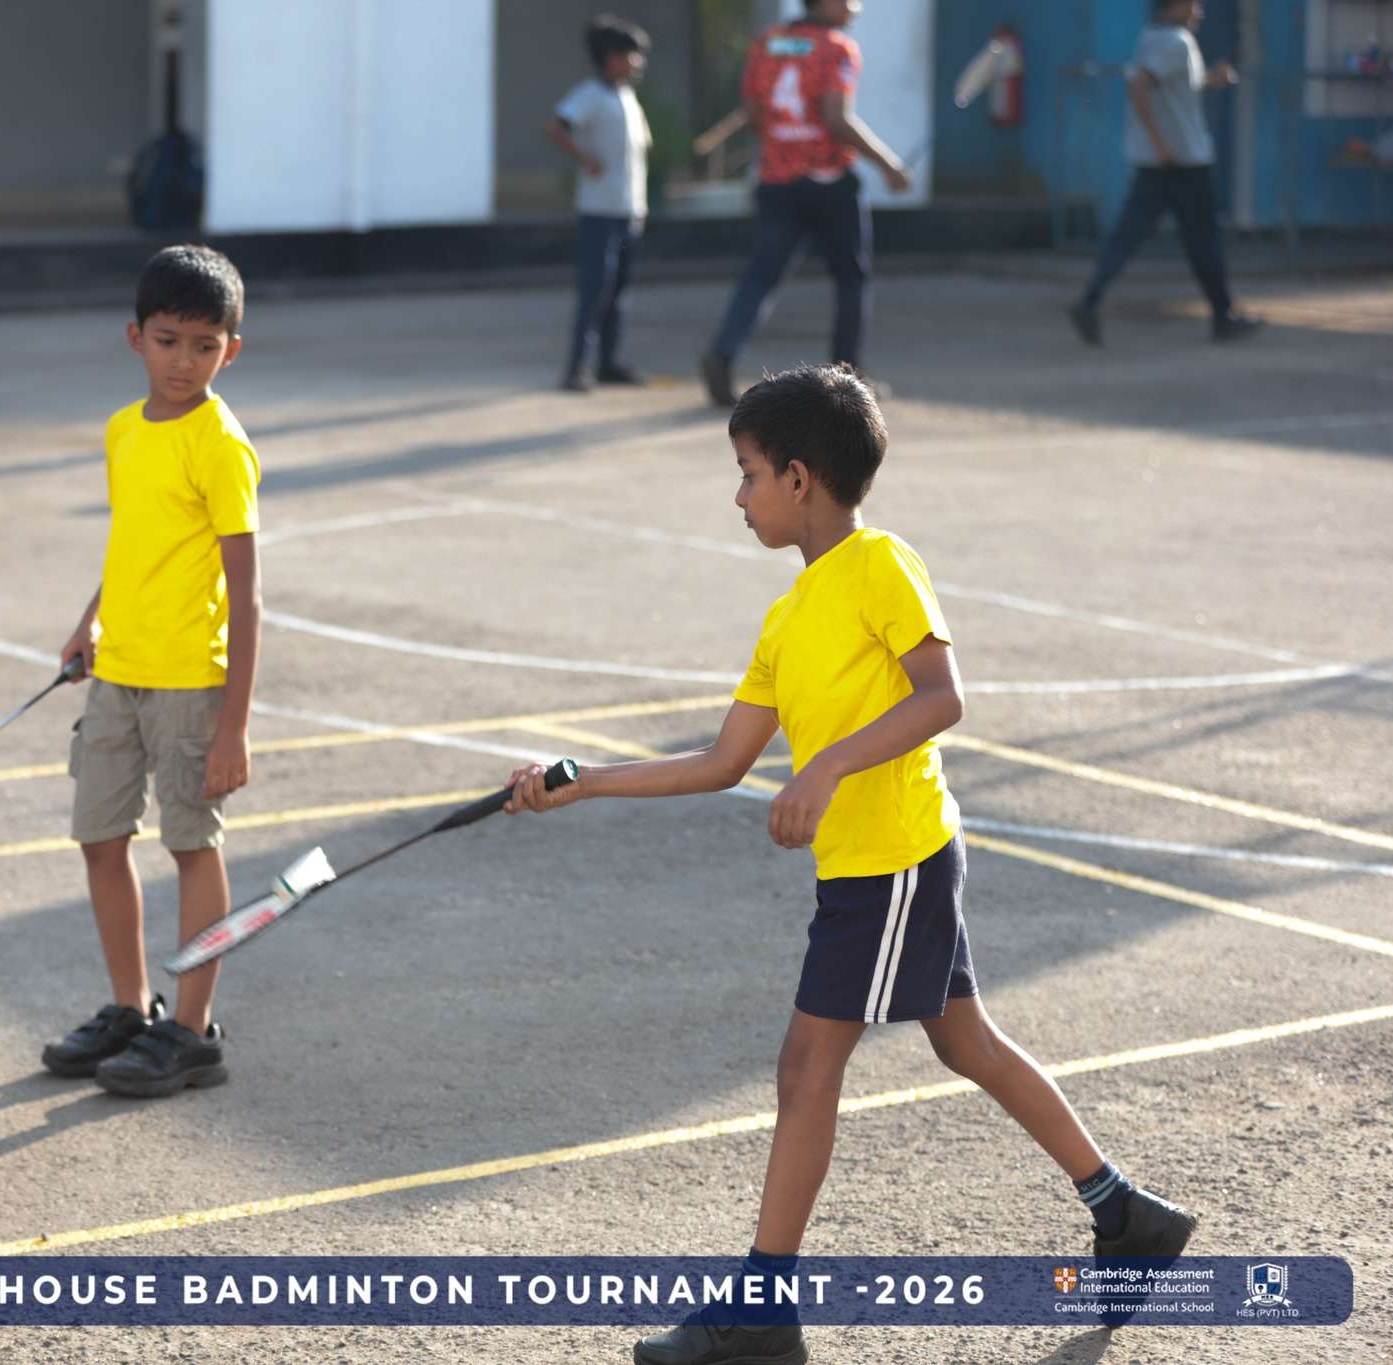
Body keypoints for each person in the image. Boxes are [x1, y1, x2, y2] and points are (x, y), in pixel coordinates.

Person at [503, 364, 1197, 1365]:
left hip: (894, 860)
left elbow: (940, 696)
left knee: (806, 1065)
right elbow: (722, 761)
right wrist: (585, 781)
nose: (737, 496)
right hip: (871, 867)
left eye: (746, 473)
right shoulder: (787, 618)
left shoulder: (878, 564)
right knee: (964, 1042)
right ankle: (1125, 1213)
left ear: (798, 477)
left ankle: (761, 1311)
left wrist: (826, 765)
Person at [42, 244, 262, 1099]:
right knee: (100, 837)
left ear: (231, 350)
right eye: (168, 340)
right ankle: (131, 1007)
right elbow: (135, 541)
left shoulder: (222, 445)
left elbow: (247, 596)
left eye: (205, 345)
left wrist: (233, 726)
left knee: (191, 843)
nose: (184, 361)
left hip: (190, 684)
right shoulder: (124, 431)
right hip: (119, 673)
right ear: (136, 337)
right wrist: (90, 619)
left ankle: (193, 1031)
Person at [700, 0, 910, 409]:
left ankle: (723, 353)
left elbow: (754, 111)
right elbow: (836, 118)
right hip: (829, 181)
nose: (856, 8)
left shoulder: (771, 42)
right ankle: (847, 378)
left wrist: (783, 145)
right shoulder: (837, 47)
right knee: (850, 278)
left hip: (778, 178)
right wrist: (889, 164)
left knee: (762, 275)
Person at [1069, 0, 1262, 346]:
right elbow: (1139, 86)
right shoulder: (1177, 42)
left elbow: (1175, 88)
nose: (1199, 11)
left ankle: (1090, 301)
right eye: (1194, 4)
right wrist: (1160, 145)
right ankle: (1223, 316)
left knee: (1128, 236)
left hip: (1160, 161)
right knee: (1203, 240)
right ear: (1177, 5)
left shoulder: (1152, 37)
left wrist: (1210, 80)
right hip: (1181, 161)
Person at [546, 14, 654, 393]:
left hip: (629, 210)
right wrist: (585, 159)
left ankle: (609, 362)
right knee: (595, 291)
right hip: (600, 212)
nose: (637, 63)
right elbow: (556, 126)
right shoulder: (590, 94)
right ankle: (577, 366)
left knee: (619, 292)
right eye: (631, 55)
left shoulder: (626, 96)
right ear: (612, 58)